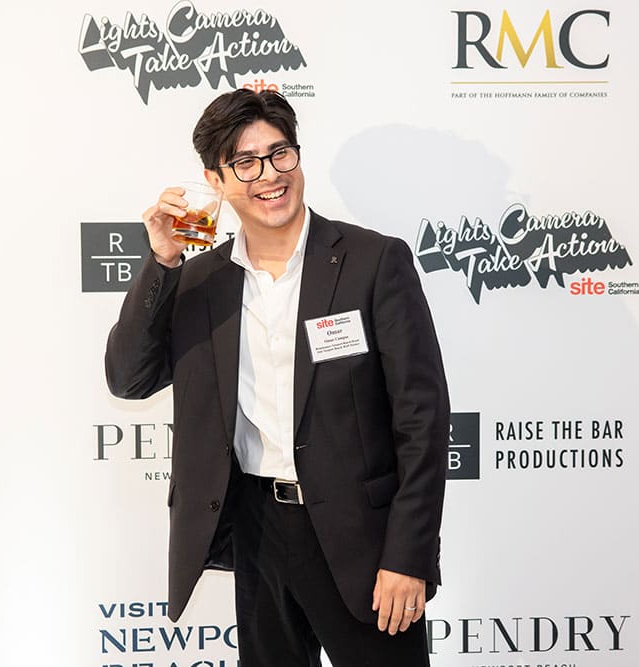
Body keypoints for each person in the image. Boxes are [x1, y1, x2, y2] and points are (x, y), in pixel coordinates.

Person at [105, 89, 449, 667]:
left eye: (279, 153)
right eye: (245, 162)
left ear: (297, 155)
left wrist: (407, 556)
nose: (269, 175)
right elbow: (128, 379)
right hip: (257, 531)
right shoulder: (200, 282)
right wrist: (163, 261)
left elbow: (423, 418)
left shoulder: (372, 262)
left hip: (362, 542)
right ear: (215, 180)